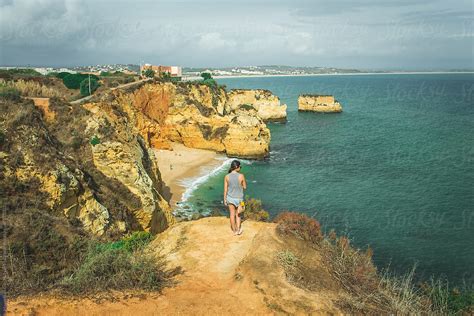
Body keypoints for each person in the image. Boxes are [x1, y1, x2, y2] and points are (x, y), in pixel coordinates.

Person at [224, 160, 247, 235]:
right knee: (238, 214)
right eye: (240, 166)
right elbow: (245, 187)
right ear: (237, 167)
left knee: (231, 214)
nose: (240, 168)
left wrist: (224, 199)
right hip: (239, 199)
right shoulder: (241, 176)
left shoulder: (227, 176)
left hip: (230, 198)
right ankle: (238, 229)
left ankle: (234, 231)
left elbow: (225, 189)